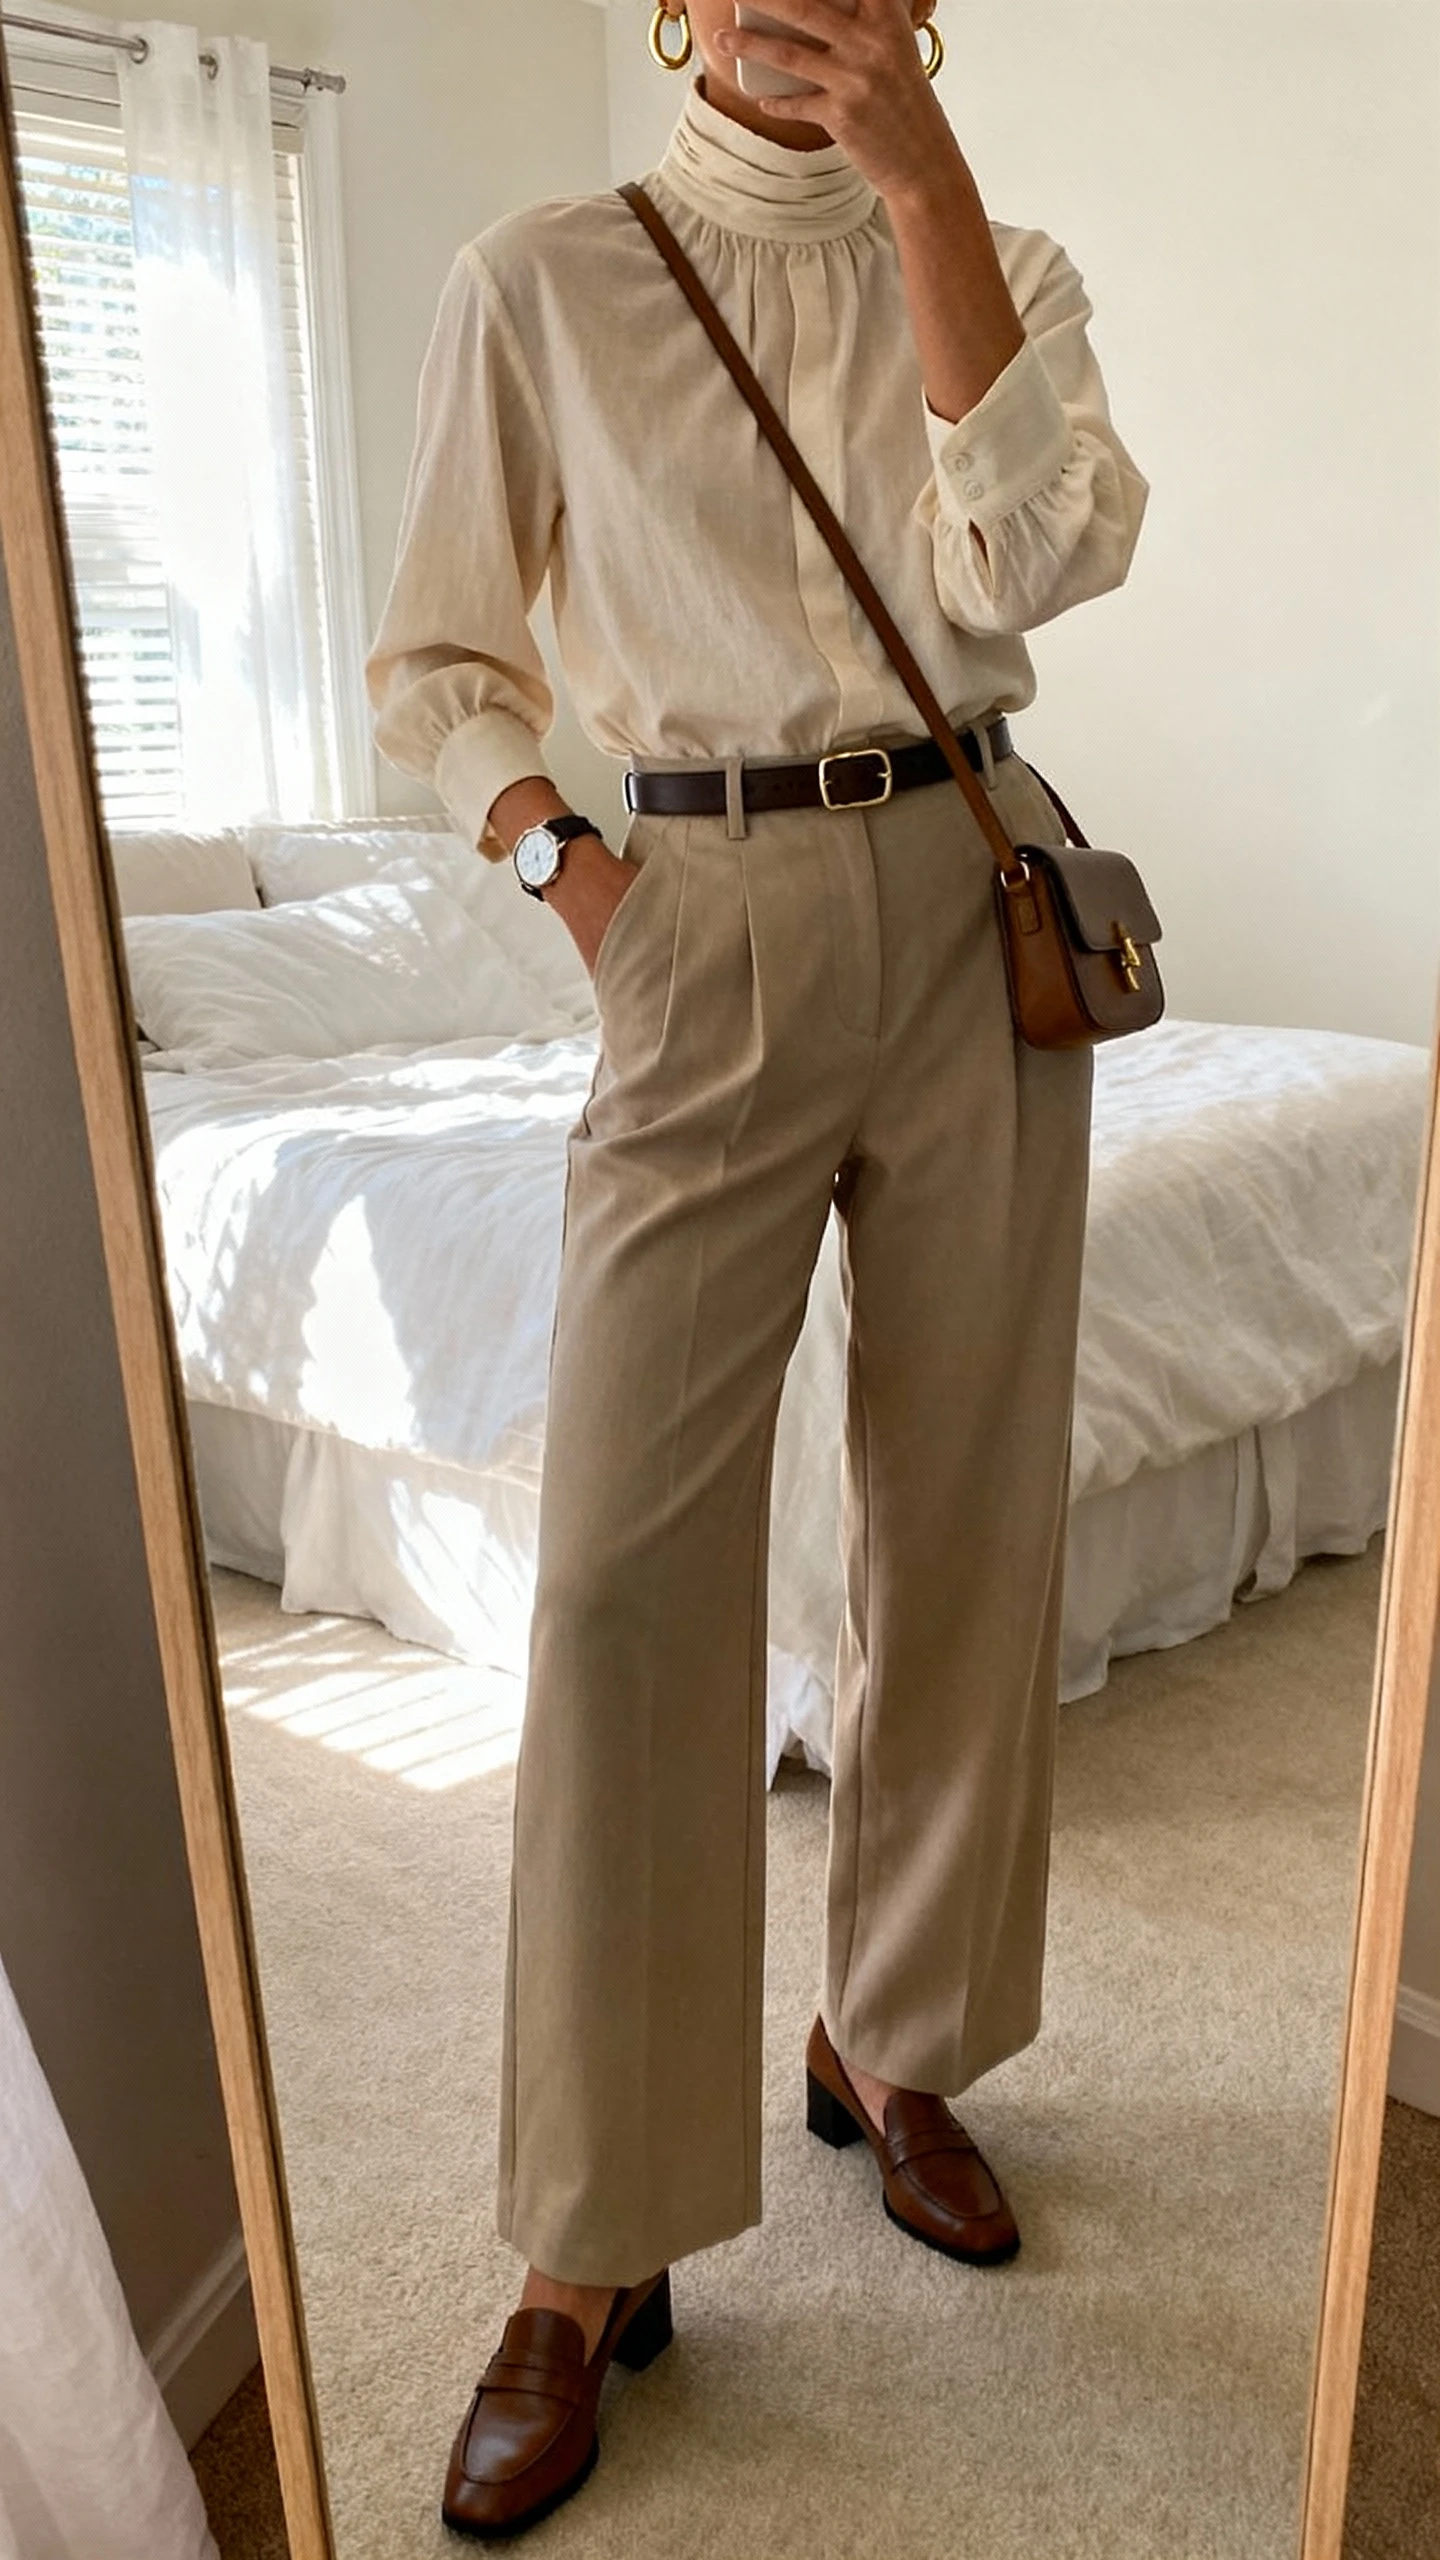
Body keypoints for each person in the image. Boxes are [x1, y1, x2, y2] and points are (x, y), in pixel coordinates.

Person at [366, 0, 1148, 2535]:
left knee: (963, 1511)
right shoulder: (540, 276)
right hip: (684, 904)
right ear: (676, 9)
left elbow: (1037, 555)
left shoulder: (1005, 257)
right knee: (612, 1579)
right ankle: (591, 2233)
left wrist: (924, 191)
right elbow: (440, 667)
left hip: (968, 894)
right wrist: (583, 890)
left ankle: (895, 2036)